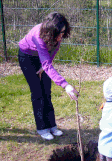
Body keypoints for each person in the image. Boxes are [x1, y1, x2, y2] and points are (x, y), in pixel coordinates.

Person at [18, 12, 79, 141]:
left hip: (43, 58)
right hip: (27, 57)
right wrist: (65, 85)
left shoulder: (57, 35)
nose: (61, 36)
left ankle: (51, 125)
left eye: (63, 32)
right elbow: (47, 63)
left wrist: (45, 65)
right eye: (59, 33)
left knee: (47, 92)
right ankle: (41, 128)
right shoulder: (38, 35)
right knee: (37, 93)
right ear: (51, 31)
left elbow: (53, 52)